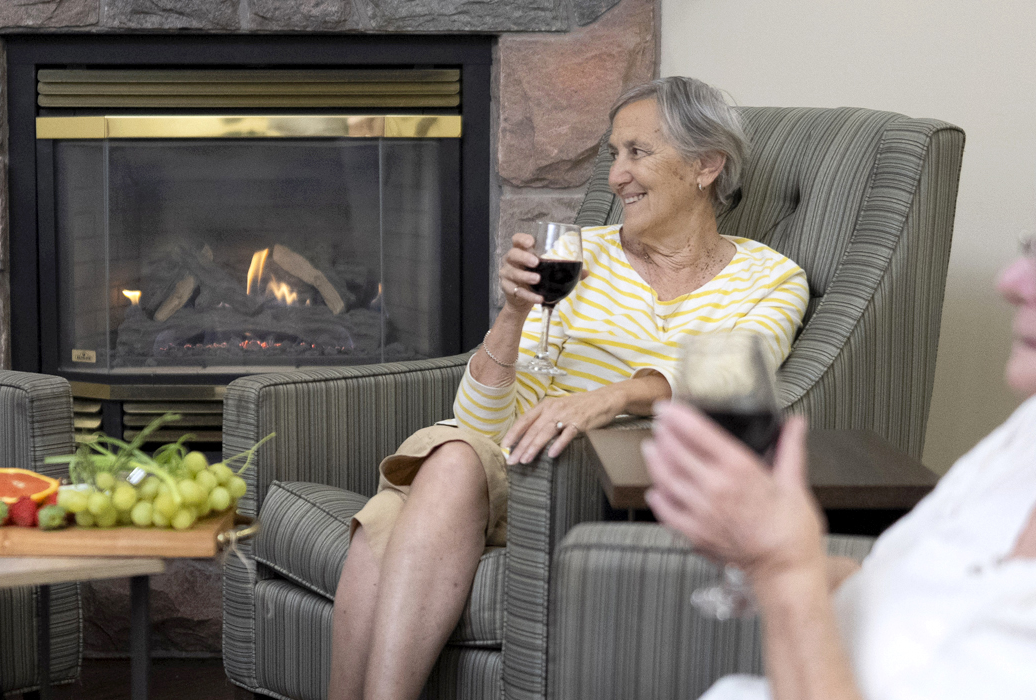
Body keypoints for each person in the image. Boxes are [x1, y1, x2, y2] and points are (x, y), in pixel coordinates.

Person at [645, 93, 1036, 700]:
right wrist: (766, 550)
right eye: (1034, 248)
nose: (1013, 282)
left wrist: (784, 571)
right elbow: (916, 598)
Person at [327, 76, 812, 700]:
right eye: (615, 154)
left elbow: (736, 374)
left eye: (638, 152)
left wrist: (610, 397)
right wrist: (512, 314)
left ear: (705, 166)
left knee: (412, 495)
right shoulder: (577, 255)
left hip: (605, 475)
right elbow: (476, 419)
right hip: (500, 457)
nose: (616, 177)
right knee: (443, 465)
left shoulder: (768, 278)